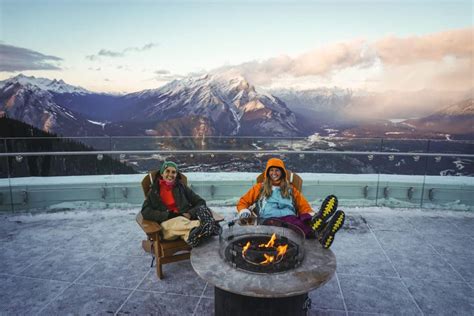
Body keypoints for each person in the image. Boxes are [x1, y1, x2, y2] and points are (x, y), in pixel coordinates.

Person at [236, 158, 345, 249]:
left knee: (303, 219)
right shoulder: (260, 187)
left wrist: (308, 214)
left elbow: (303, 205)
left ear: (282, 172)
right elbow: (243, 202)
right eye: (271, 170)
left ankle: (320, 224)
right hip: (269, 218)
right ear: (267, 172)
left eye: (277, 171)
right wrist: (244, 211)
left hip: (289, 216)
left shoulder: (290, 189)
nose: (274, 173)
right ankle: (320, 231)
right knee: (296, 225)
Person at [141, 161, 220, 247]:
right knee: (175, 223)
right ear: (162, 173)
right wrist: (167, 215)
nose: (170, 174)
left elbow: (200, 202)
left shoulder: (181, 187)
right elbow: (145, 211)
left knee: (187, 232)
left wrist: (190, 213)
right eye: (167, 171)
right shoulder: (154, 191)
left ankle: (193, 236)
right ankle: (204, 225)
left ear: (176, 175)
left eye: (173, 172)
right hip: (166, 225)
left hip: (184, 222)